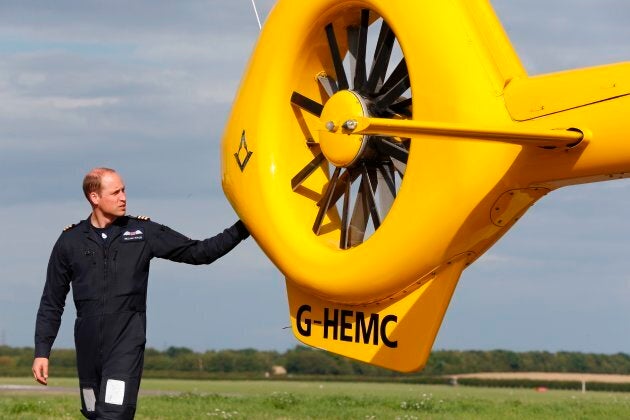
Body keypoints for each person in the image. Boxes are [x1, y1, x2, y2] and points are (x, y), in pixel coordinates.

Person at [32, 167, 250, 419]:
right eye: (115, 192)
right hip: (87, 347)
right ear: (94, 197)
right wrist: (42, 351)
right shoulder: (70, 241)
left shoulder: (143, 233)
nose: (123, 197)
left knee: (113, 414)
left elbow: (200, 252)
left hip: (125, 344)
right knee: (93, 413)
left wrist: (244, 226)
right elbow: (52, 301)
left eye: (124, 190)